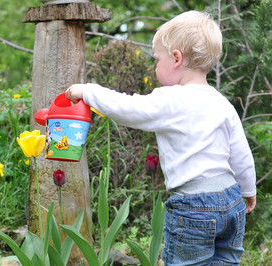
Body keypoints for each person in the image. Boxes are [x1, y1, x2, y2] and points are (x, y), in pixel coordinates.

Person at [65, 10, 256, 265]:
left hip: (194, 207)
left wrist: (86, 91)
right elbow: (240, 152)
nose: (155, 66)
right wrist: (248, 189)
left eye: (157, 60)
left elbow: (127, 108)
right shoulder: (222, 103)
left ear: (176, 58)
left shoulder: (171, 99)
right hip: (231, 201)